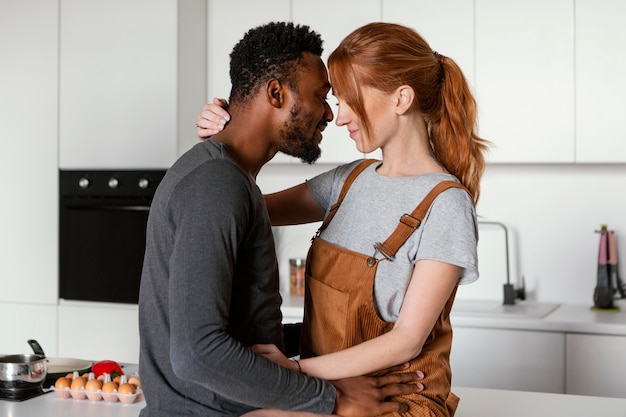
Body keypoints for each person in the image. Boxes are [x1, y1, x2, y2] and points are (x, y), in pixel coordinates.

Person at [196, 22, 489, 417]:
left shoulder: (445, 204)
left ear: (401, 98)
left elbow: (406, 340)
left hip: (395, 400)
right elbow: (242, 207)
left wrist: (294, 372)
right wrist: (224, 139)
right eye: (337, 100)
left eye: (351, 99)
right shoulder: (347, 181)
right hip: (331, 393)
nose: (339, 117)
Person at [138, 21, 423, 417]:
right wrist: (332, 398)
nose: (328, 114)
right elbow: (197, 353)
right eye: (321, 96)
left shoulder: (227, 180)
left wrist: (333, 349)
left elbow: (240, 335)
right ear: (276, 92)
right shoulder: (216, 183)